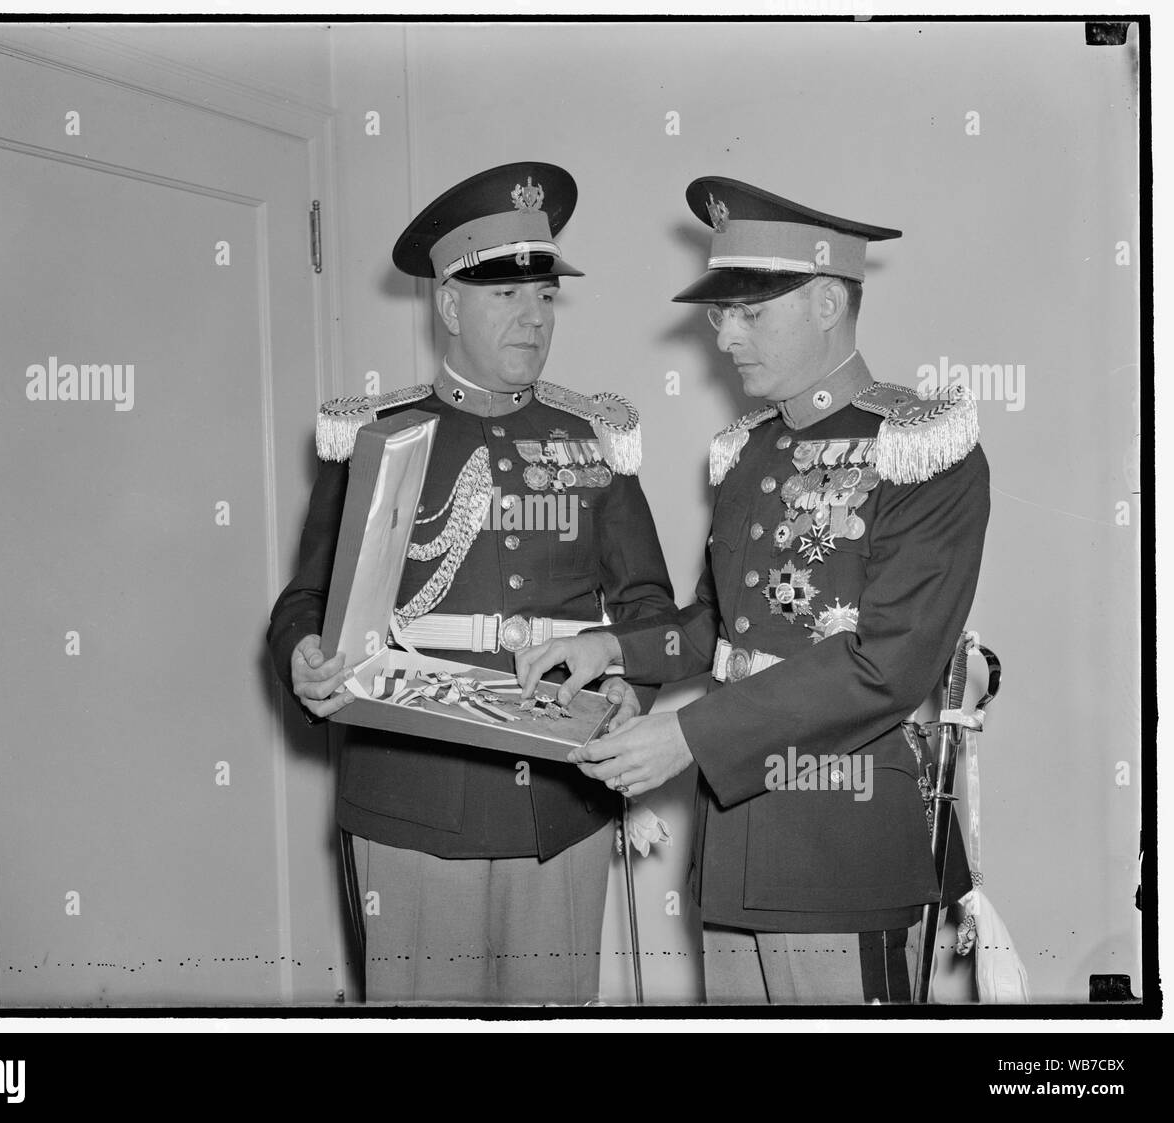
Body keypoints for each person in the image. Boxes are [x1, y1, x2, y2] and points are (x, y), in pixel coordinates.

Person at [518, 176, 989, 1004]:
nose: (726, 336)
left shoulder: (922, 447)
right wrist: (611, 646)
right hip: (734, 844)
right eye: (718, 314)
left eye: (751, 312)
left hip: (837, 841)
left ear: (825, 303)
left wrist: (690, 736)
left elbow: (887, 666)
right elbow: (718, 627)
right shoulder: (747, 451)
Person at [267, 162, 676, 1004]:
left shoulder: (592, 439)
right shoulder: (376, 437)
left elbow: (648, 610)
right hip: (413, 793)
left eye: (547, 297)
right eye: (506, 296)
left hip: (560, 797)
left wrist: (630, 681)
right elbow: (306, 601)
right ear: (449, 303)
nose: (534, 318)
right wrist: (304, 655)